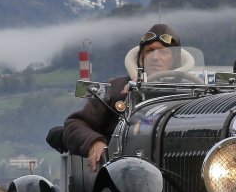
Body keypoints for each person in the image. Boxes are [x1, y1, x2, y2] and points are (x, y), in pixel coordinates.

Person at [62, 23, 183, 170]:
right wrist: (95, 142)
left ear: (174, 59)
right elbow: (74, 124)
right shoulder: (114, 88)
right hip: (125, 170)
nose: (155, 57)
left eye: (163, 52)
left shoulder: (194, 92)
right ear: (141, 56)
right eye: (149, 51)